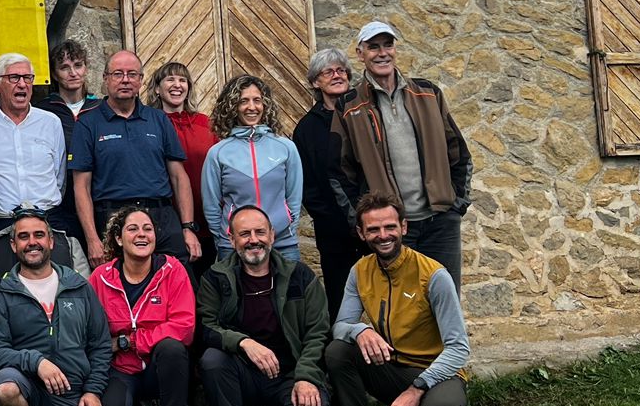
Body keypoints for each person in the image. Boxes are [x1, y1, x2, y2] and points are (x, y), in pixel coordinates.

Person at [326, 194, 472, 406]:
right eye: (373, 229)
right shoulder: (359, 270)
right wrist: (361, 331)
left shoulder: (434, 275)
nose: (383, 235)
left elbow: (459, 348)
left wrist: (417, 388)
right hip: (391, 369)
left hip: (437, 373)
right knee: (338, 351)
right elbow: (341, 327)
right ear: (361, 233)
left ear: (403, 227)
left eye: (390, 227)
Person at [331, 21, 474, 285]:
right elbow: (340, 173)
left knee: (446, 299)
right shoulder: (348, 107)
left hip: (440, 222)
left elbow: (459, 153)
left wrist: (457, 205)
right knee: (402, 307)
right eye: (373, 47)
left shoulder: (428, 93)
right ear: (360, 54)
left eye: (388, 45)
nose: (382, 53)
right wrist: (362, 221)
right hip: (391, 229)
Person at [196, 206, 332, 406]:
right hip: (241, 373)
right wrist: (244, 342)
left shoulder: (299, 275)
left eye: (260, 232)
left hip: (288, 373)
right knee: (212, 360)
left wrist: (306, 377)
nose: (253, 240)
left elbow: (318, 332)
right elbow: (206, 327)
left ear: (272, 235)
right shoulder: (216, 278)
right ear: (231, 239)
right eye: (244, 233)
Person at [0, 212, 114, 406]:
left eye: (39, 235)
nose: (32, 242)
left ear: (51, 241)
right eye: (23, 237)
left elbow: (100, 344)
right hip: (25, 383)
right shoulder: (2, 294)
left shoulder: (78, 287)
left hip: (70, 390)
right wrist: (37, 361)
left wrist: (93, 390)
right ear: (13, 246)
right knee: (5, 389)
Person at [69, 49, 202, 269]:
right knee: (120, 292)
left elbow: (179, 177)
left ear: (140, 80)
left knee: (181, 282)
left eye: (132, 74)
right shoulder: (87, 124)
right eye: (117, 74)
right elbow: (81, 187)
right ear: (105, 79)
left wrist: (187, 227)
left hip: (162, 217)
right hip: (113, 219)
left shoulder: (158, 120)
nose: (125, 80)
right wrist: (93, 239)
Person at [88, 206, 195, 406]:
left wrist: (130, 341)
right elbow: (90, 330)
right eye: (132, 229)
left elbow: (184, 325)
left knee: (172, 348)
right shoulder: (100, 278)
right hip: (121, 369)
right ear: (118, 238)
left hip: (160, 367)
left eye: (147, 229)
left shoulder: (172, 270)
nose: (142, 235)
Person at [0, 53, 72, 285]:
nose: (22, 84)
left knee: (58, 296)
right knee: (3, 298)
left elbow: (59, 176)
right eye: (14, 78)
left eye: (27, 78)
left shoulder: (51, 122)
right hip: (2, 228)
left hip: (47, 224)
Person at [202, 74, 305, 262]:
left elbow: (294, 197)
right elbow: (211, 206)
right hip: (235, 246)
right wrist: (225, 236)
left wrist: (287, 225)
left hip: (282, 242)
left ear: (265, 105)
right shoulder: (217, 153)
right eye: (243, 101)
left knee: (291, 291)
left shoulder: (286, 148)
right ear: (232, 107)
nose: (251, 107)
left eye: (257, 100)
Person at [293, 48, 367, 301]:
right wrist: (334, 221)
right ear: (316, 81)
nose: (337, 75)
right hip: (334, 230)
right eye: (328, 72)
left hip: (377, 223)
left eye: (341, 70)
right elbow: (309, 186)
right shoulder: (307, 128)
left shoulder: (368, 114)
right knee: (341, 295)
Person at [147, 61, 214, 277]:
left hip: (207, 216)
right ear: (157, 88)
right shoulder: (149, 124)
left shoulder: (205, 123)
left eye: (182, 80)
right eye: (170, 79)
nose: (177, 85)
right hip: (170, 220)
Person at [37, 39, 102, 241]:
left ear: (86, 68)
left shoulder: (101, 108)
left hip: (98, 195)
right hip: (61, 202)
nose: (73, 73)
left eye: (78, 65)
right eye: (65, 67)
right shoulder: (43, 110)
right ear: (55, 74)